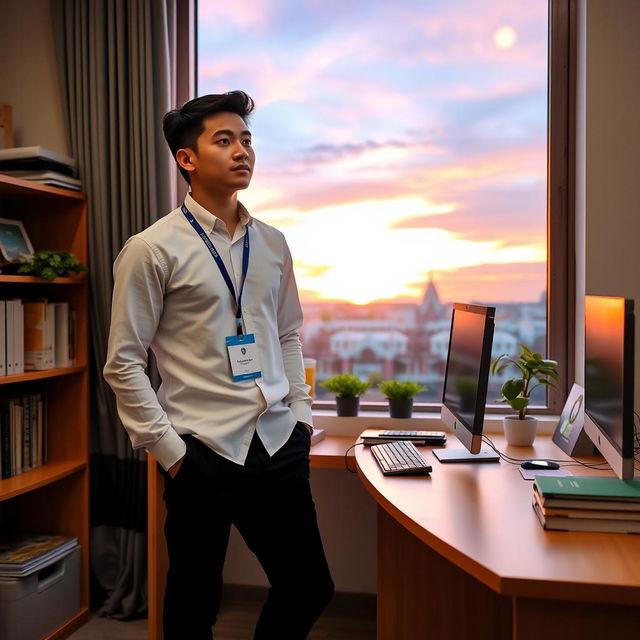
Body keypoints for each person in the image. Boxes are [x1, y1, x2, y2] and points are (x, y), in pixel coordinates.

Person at [103, 91, 334, 640]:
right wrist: (171, 454)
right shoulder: (151, 249)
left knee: (308, 587)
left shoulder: (273, 244)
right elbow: (124, 362)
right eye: (224, 140)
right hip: (200, 452)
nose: (242, 152)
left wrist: (300, 414)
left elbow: (286, 334)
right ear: (187, 159)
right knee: (192, 606)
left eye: (247, 140)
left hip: (277, 442)